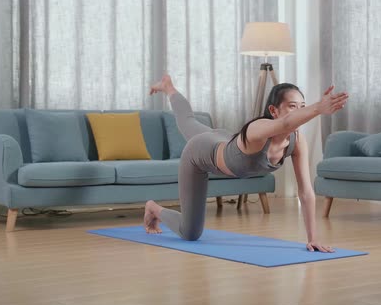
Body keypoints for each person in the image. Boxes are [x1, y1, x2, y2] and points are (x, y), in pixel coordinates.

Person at [143, 74, 348, 252]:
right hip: (200, 153)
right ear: (273, 111)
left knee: (189, 121)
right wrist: (319, 108)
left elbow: (305, 191)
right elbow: (285, 123)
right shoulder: (258, 128)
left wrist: (312, 238)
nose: (299, 112)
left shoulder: (296, 140)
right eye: (292, 107)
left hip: (224, 139)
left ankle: (168, 86)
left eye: (302, 107)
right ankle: (154, 208)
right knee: (189, 233)